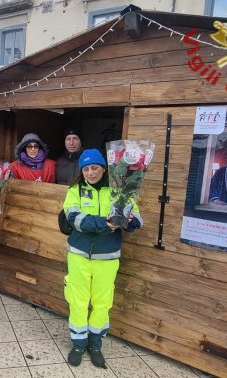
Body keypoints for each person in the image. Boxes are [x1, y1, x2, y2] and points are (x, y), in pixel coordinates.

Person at [62, 149, 142, 368]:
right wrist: (106, 225)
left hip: (107, 258)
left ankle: (95, 344)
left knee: (102, 303)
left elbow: (138, 219)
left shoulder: (119, 191)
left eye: (95, 167)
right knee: (78, 301)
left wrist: (130, 221)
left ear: (104, 168)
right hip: (78, 256)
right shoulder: (75, 191)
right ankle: (78, 344)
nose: (90, 172)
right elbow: (74, 219)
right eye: (86, 169)